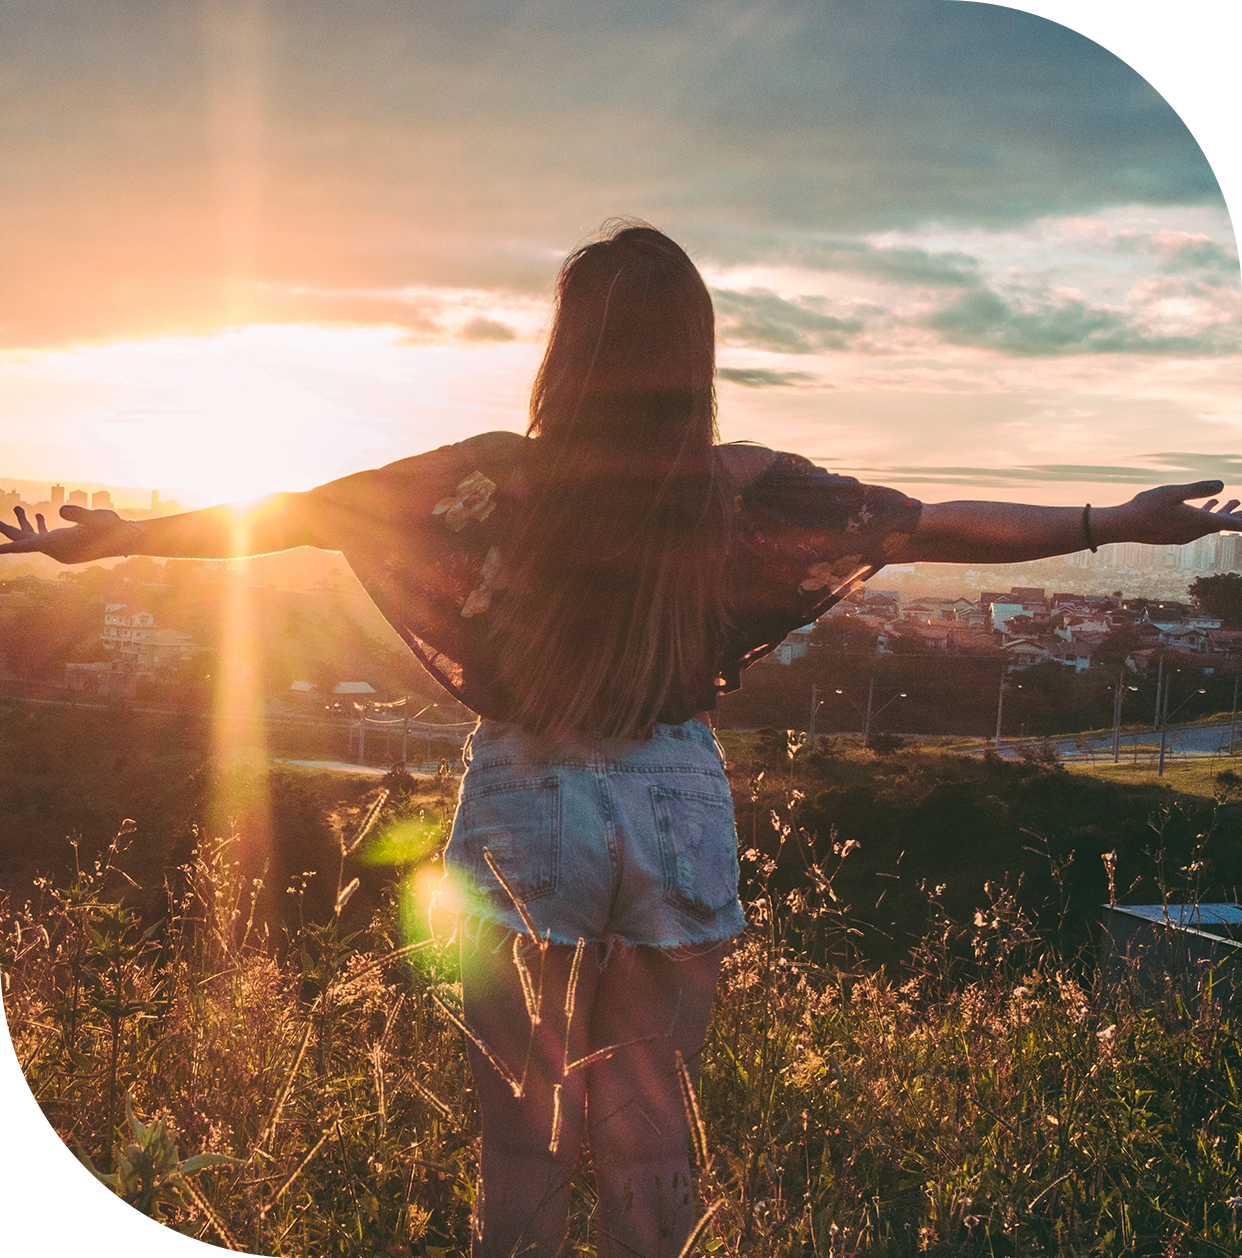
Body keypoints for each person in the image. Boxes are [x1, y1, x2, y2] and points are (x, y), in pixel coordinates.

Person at [2, 223, 1239, 1257]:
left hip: (526, 797)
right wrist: (1109, 515)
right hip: (677, 803)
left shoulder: (492, 478)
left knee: (522, 1136)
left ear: (567, 351)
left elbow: (291, 513)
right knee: (651, 1133)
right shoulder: (738, 487)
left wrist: (95, 539)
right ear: (691, 355)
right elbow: (928, 525)